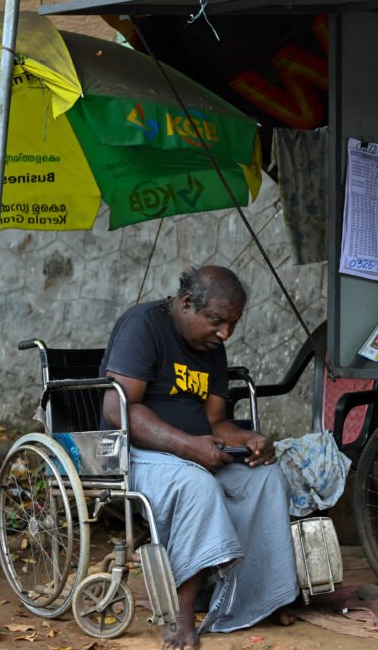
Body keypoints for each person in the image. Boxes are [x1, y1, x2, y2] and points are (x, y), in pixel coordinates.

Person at [100, 266, 298, 650]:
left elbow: (215, 422)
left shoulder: (211, 348)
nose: (225, 334)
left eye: (232, 324)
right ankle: (181, 609)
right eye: (216, 321)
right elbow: (118, 409)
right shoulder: (143, 326)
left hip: (195, 452)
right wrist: (189, 447)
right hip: (135, 454)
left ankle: (264, 597)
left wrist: (251, 439)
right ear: (187, 303)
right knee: (198, 484)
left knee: (267, 478)